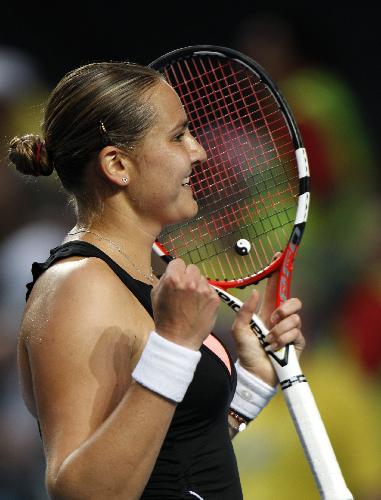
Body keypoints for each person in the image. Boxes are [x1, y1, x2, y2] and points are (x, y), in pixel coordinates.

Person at [8, 61, 305, 500]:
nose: (199, 151)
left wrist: (250, 387)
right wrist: (176, 344)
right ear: (117, 164)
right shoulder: (77, 288)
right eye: (178, 135)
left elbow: (170, 463)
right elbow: (82, 490)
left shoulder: (136, 278)